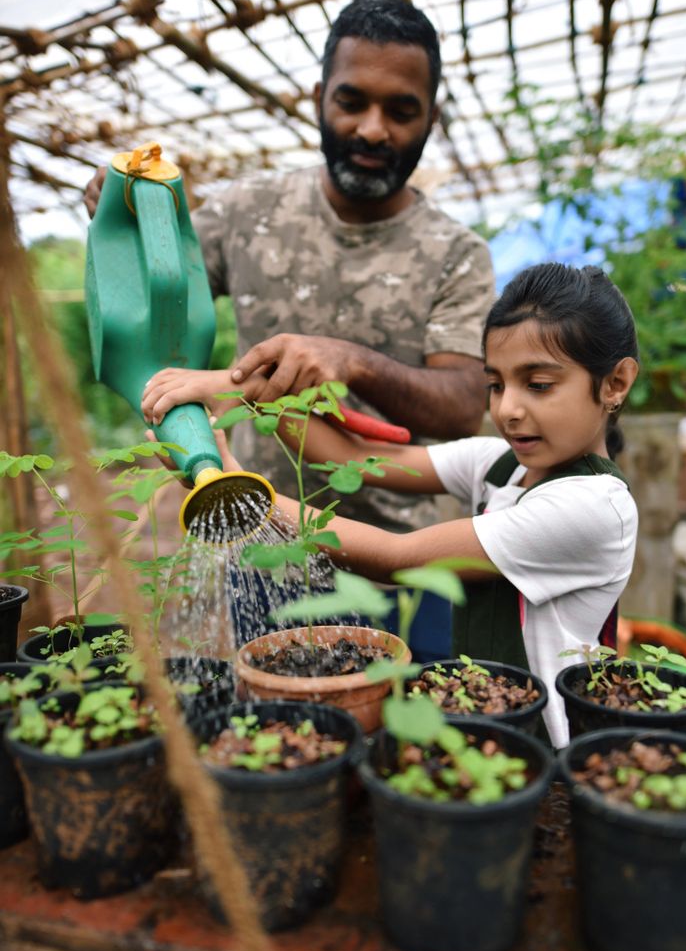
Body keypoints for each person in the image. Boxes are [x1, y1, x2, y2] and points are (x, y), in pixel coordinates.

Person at [87, 0, 495, 656]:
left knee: (405, 741)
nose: (371, 129)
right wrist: (123, 223)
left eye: (401, 110)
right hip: (268, 550)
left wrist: (353, 360)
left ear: (431, 119)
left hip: (405, 567)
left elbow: (462, 405)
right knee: (286, 732)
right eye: (352, 100)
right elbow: (164, 295)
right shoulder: (249, 211)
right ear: (318, 97)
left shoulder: (456, 254)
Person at [143, 262, 641, 747]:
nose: (508, 408)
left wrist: (239, 493)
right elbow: (358, 456)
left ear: (615, 383)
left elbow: (396, 556)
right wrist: (253, 390)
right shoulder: (500, 464)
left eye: (538, 385)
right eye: (496, 384)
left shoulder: (592, 506)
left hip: (547, 751)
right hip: (484, 726)